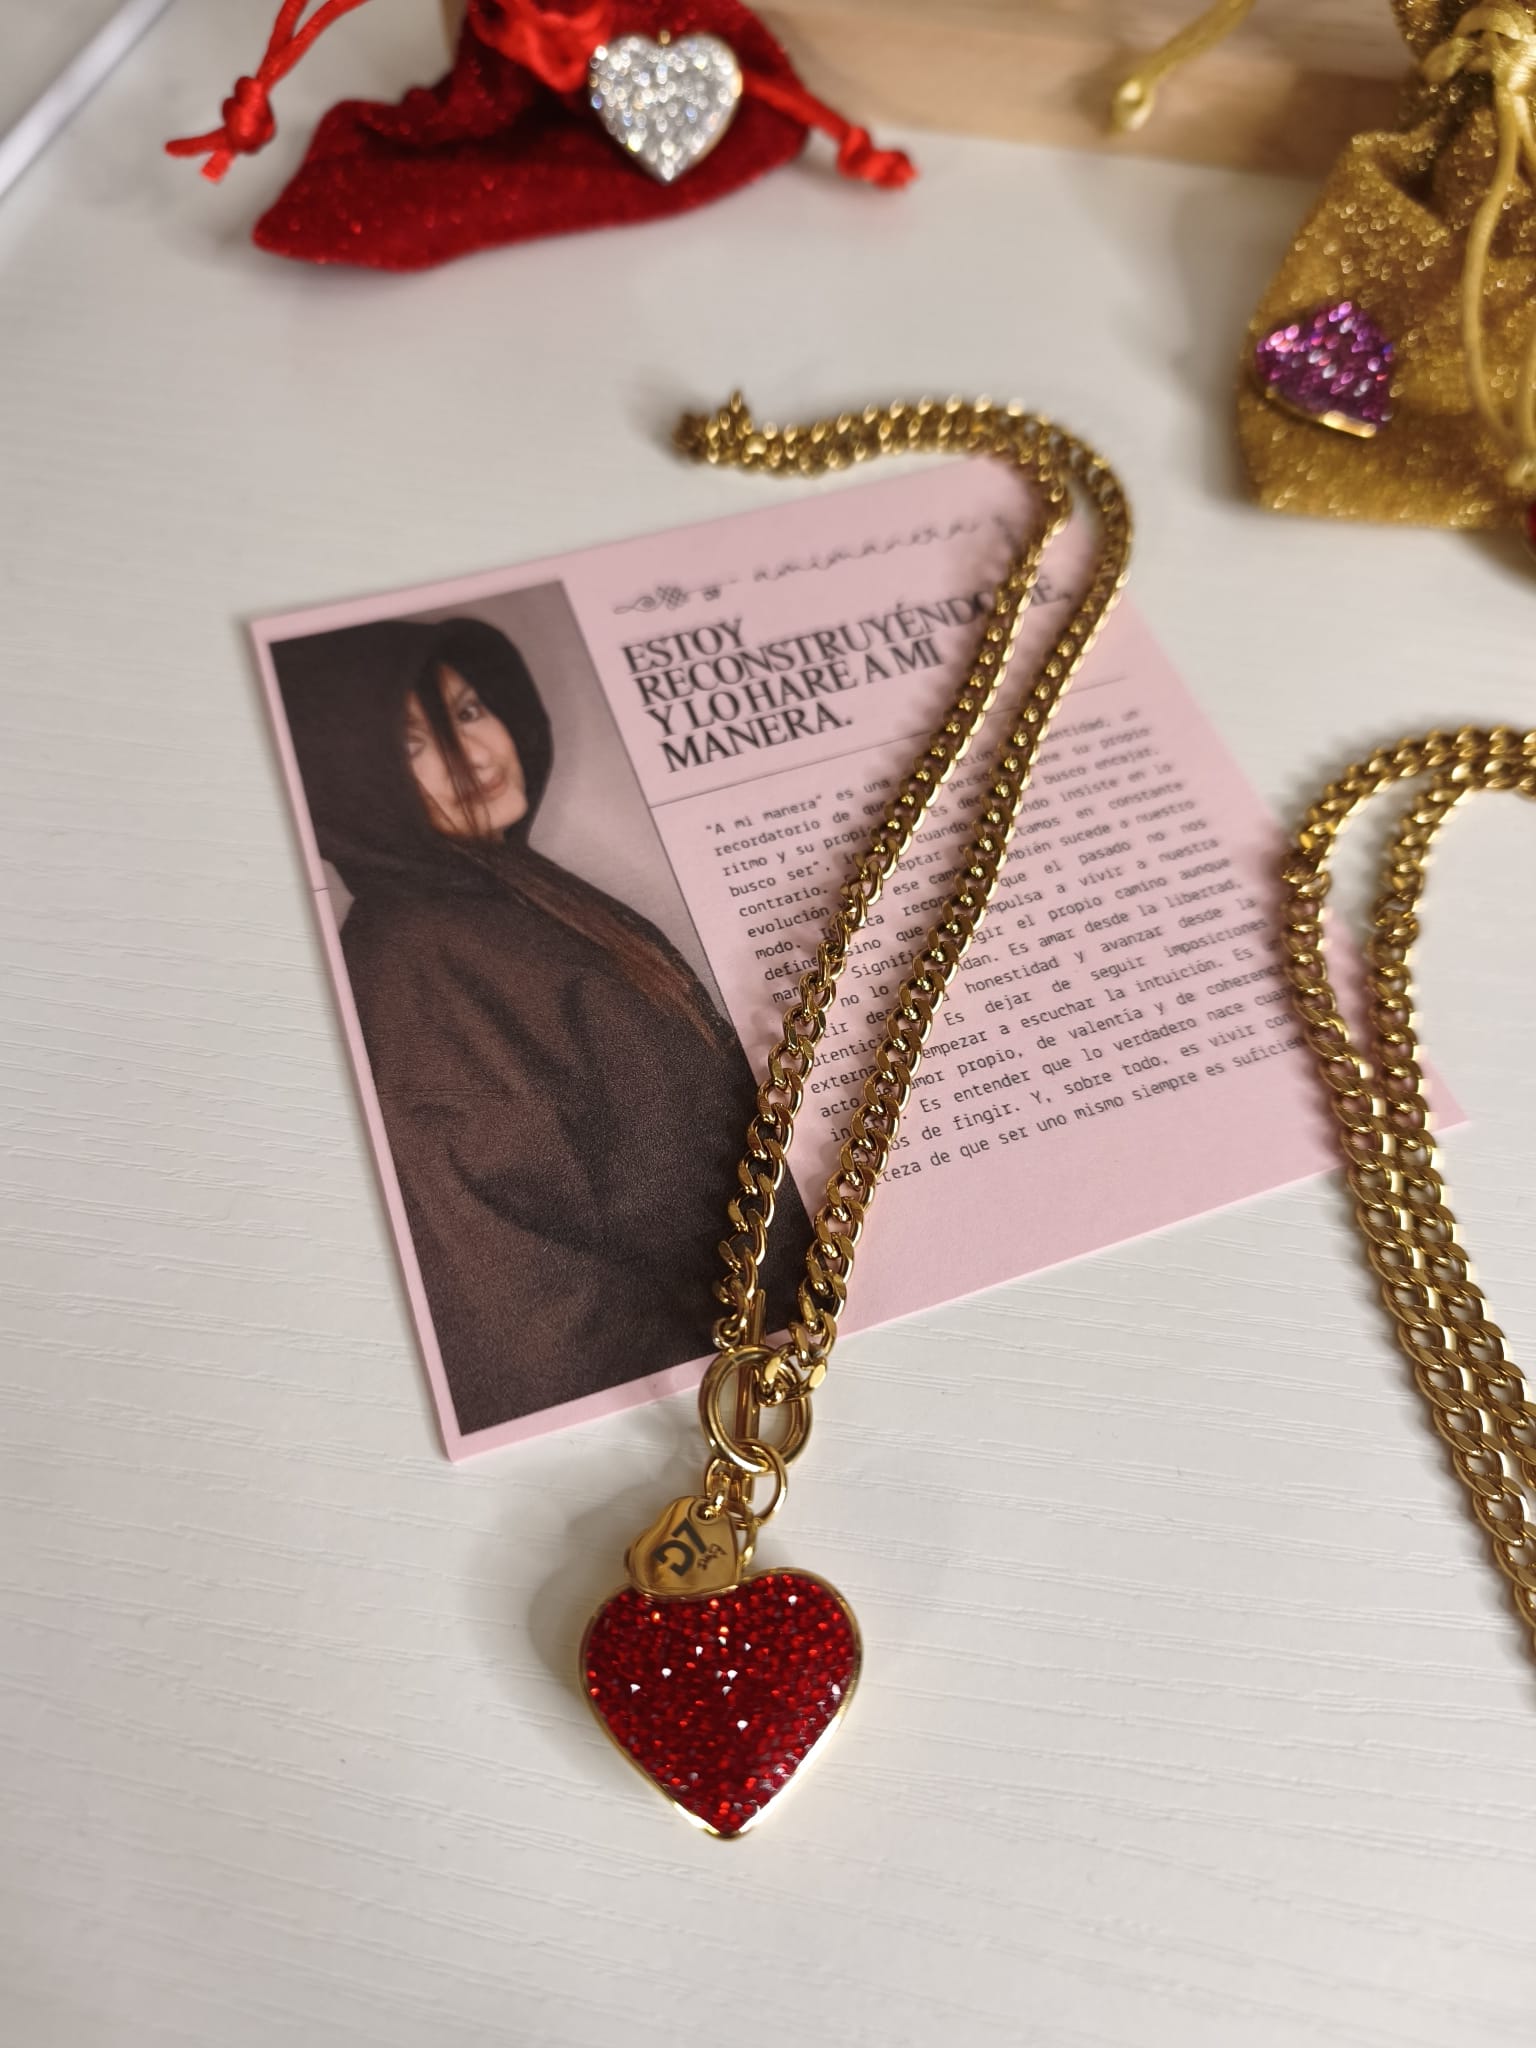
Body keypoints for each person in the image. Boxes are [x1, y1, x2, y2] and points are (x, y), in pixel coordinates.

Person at [273, 617, 808, 1433]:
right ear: (354, 774)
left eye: (468, 710)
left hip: (770, 1323)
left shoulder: (510, 891)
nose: (475, 753)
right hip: (700, 1391)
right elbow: (525, 1290)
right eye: (412, 743)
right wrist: (718, 1379)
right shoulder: (414, 957)